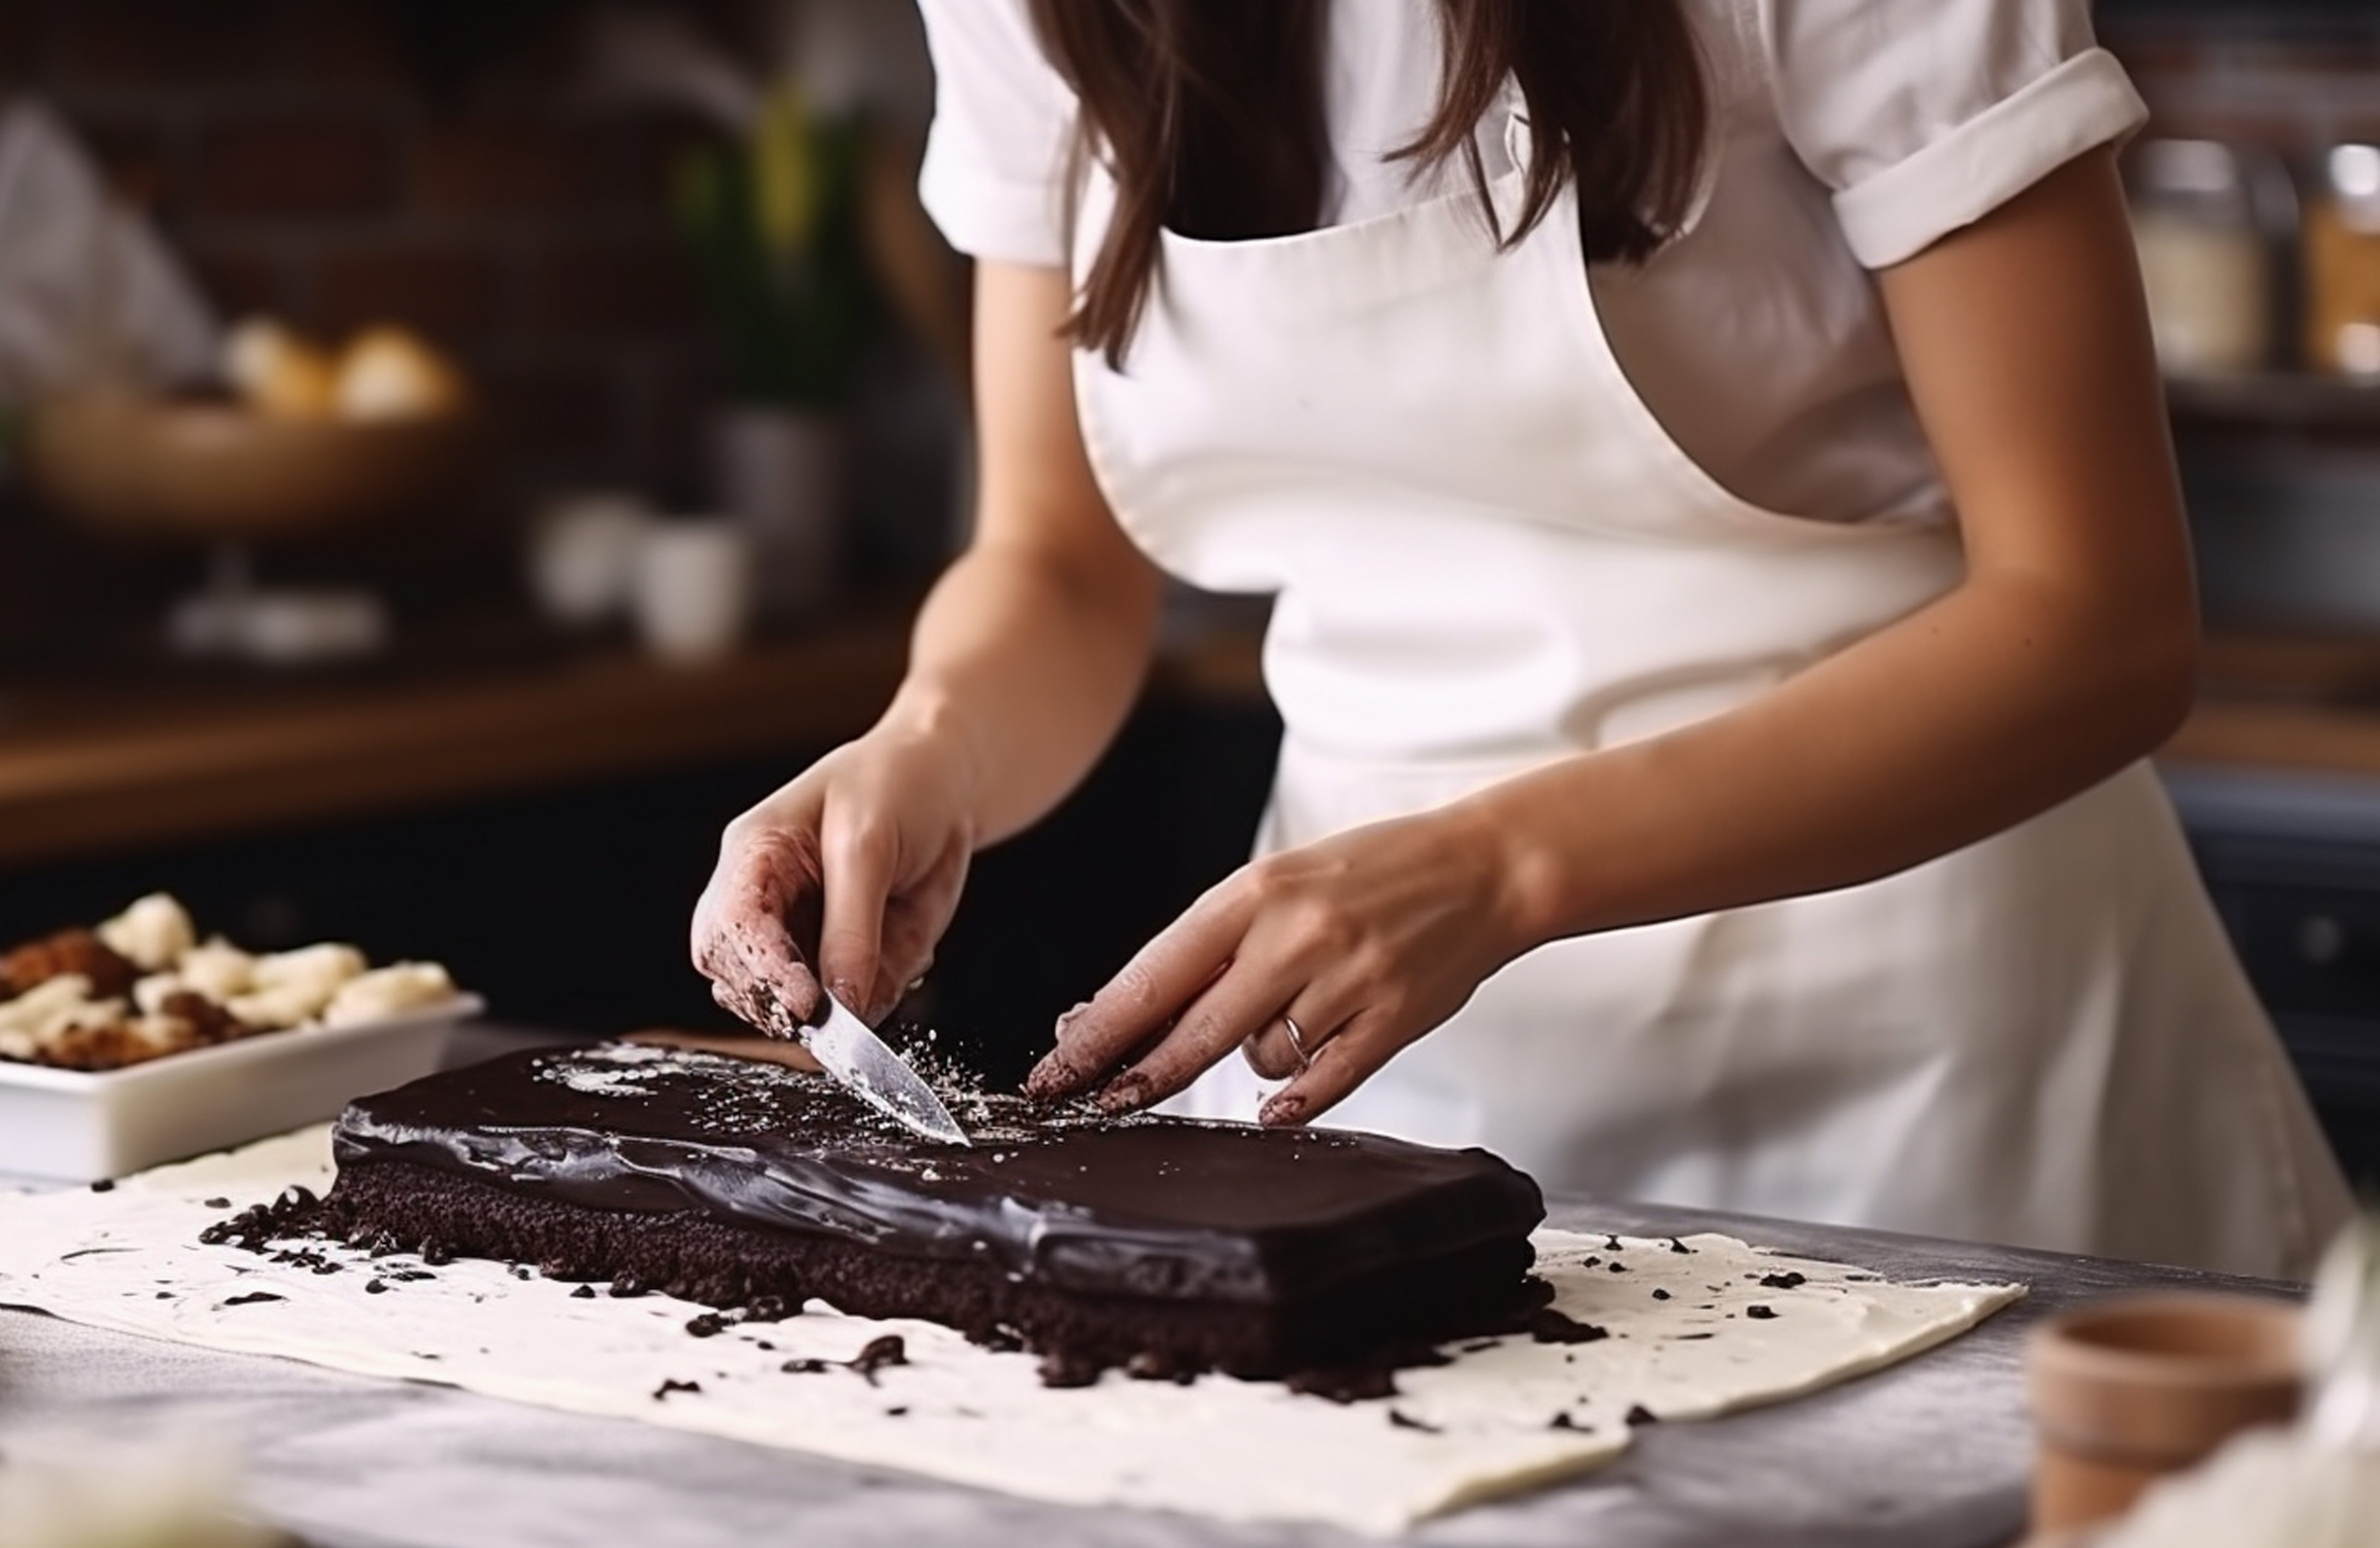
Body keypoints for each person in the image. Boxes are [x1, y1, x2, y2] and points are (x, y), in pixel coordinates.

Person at [690, 0, 2355, 1279]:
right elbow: (1055, 561)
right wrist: (928, 747)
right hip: (1360, 1076)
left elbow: (2098, 621)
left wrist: (1501, 865)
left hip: (1942, 1058)